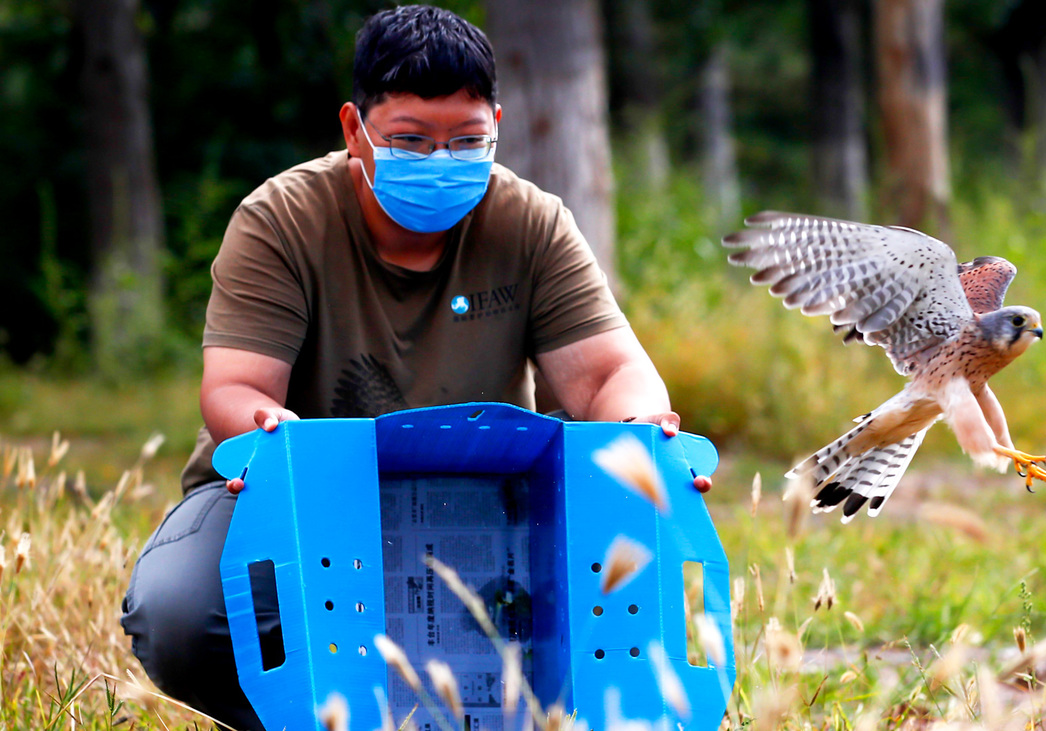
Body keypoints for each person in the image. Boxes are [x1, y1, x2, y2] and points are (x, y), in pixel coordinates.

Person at [119, 6, 708, 729]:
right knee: (181, 610)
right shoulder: (281, 219)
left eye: (466, 142)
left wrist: (641, 431)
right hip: (295, 493)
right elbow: (235, 389)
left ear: (497, 123)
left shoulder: (531, 222)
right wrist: (273, 433)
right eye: (409, 141)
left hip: (485, 503)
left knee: (636, 535)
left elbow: (610, 374)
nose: (439, 162)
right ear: (353, 130)